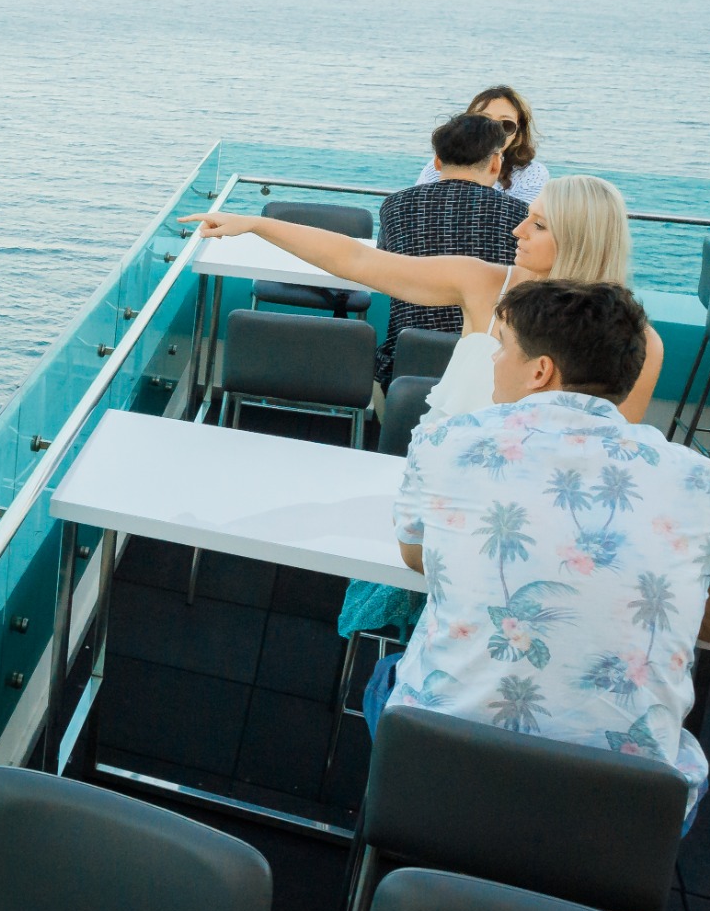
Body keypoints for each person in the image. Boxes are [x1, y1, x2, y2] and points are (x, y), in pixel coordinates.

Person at [188, 175, 665, 657]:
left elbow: (606, 468)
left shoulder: (635, 346)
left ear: (579, 240)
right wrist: (256, 226)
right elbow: (359, 261)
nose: (518, 231)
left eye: (537, 224)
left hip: (519, 541)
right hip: (428, 503)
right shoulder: (486, 284)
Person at [384, 280, 710, 808]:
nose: (493, 359)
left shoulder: (445, 443)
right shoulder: (700, 480)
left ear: (540, 370)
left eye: (501, 346)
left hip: (443, 774)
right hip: (618, 811)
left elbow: (417, 555)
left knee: (386, 676)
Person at [375, 113, 530, 382]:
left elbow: (382, 268)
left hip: (405, 362)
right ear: (495, 163)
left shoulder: (395, 206)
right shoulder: (519, 215)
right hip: (489, 368)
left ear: (437, 162)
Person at [415, 85, 549, 203]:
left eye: (505, 125)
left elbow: (523, 219)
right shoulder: (442, 164)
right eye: (483, 119)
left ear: (517, 133)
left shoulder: (532, 173)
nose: (493, 131)